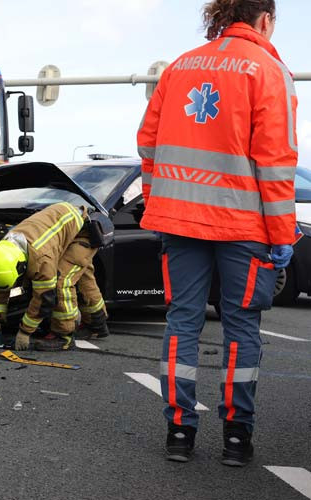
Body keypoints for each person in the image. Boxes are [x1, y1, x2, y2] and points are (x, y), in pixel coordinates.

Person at [137, 0, 297, 466]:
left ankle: (179, 432)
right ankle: (236, 437)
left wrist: (159, 200)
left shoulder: (180, 67)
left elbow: (147, 142)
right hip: (243, 226)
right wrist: (281, 233)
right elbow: (275, 162)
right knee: (241, 327)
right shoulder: (267, 70)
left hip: (179, 223)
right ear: (264, 19)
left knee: (181, 322)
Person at [0, 202, 107, 351]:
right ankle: (97, 323)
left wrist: (25, 332)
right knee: (83, 276)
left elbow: (44, 299)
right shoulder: (1, 253)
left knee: (61, 281)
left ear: (21, 265)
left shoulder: (42, 260)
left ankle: (64, 337)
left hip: (83, 232)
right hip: (66, 224)